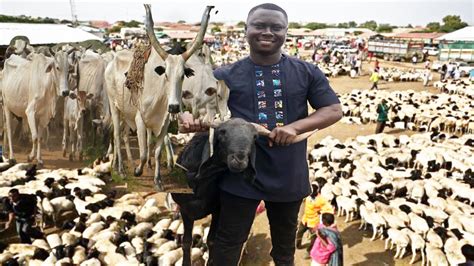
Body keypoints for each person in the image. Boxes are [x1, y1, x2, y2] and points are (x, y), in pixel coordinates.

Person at [178, 3, 342, 265]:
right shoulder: (223, 76)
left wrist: (294, 128)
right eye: (259, 25)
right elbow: (191, 108)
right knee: (226, 246)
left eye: (276, 27)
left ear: (286, 32)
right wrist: (190, 120)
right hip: (239, 175)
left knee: (284, 253)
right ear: (246, 30)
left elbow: (333, 109)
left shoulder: (306, 71)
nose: (267, 32)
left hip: (288, 174)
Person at [296, 183, 333, 256]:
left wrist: (321, 212)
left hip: (314, 222)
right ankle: (298, 245)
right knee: (299, 232)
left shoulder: (321, 199)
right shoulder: (307, 196)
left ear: (316, 191)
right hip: (305, 220)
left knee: (314, 238)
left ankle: (308, 251)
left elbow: (329, 209)